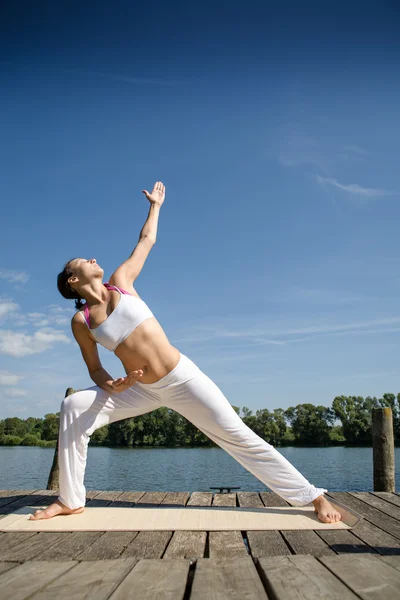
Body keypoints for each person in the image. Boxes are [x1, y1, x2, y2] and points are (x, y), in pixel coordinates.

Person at [30, 181, 341, 523]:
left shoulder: (122, 281)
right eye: (82, 262)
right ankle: (70, 499)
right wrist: (111, 385)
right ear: (73, 280)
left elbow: (146, 240)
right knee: (73, 406)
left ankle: (313, 496)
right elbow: (94, 369)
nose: (92, 258)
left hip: (182, 378)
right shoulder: (82, 321)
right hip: (138, 389)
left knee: (237, 436)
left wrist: (155, 206)